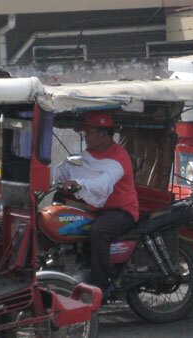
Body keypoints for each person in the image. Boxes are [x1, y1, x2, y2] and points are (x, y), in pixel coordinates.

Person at [57, 112, 139, 295]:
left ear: (103, 133)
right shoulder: (89, 155)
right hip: (96, 208)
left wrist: (79, 184)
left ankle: (101, 285)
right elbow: (69, 169)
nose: (85, 137)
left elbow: (103, 184)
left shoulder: (119, 157)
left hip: (122, 211)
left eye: (89, 133)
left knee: (99, 231)